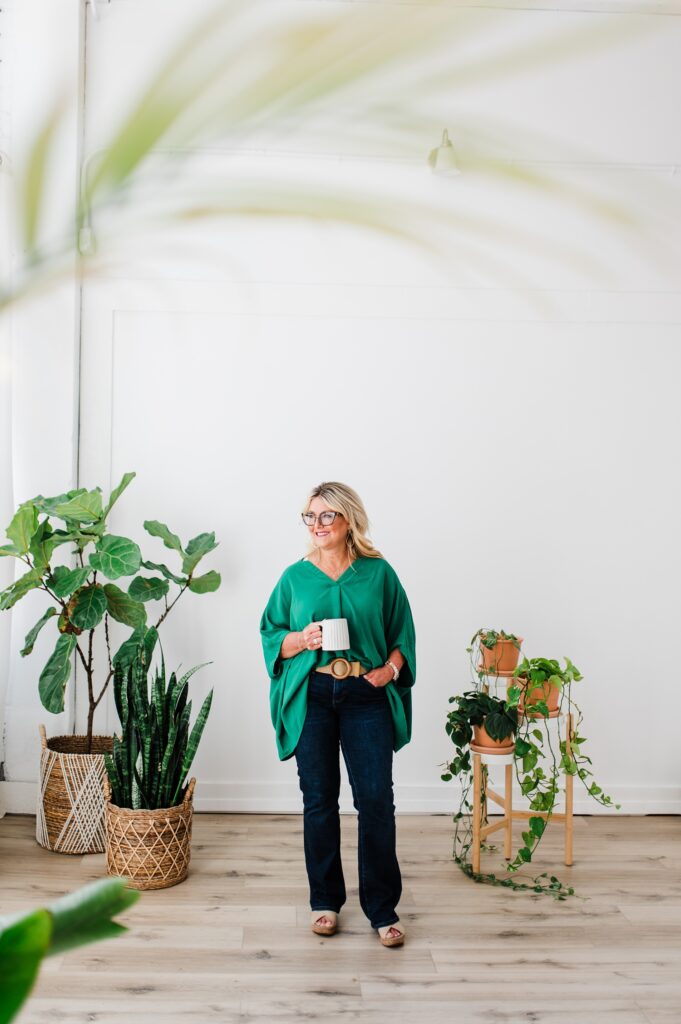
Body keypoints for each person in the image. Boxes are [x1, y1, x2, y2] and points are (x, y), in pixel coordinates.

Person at [259, 481, 416, 948]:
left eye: (327, 516)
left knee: (375, 802)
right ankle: (324, 901)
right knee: (319, 800)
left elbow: (402, 633)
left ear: (349, 520)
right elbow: (272, 635)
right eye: (310, 517)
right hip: (313, 692)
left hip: (365, 692)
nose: (318, 525)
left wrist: (390, 670)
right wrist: (300, 639)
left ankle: (382, 908)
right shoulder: (295, 577)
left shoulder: (378, 573)